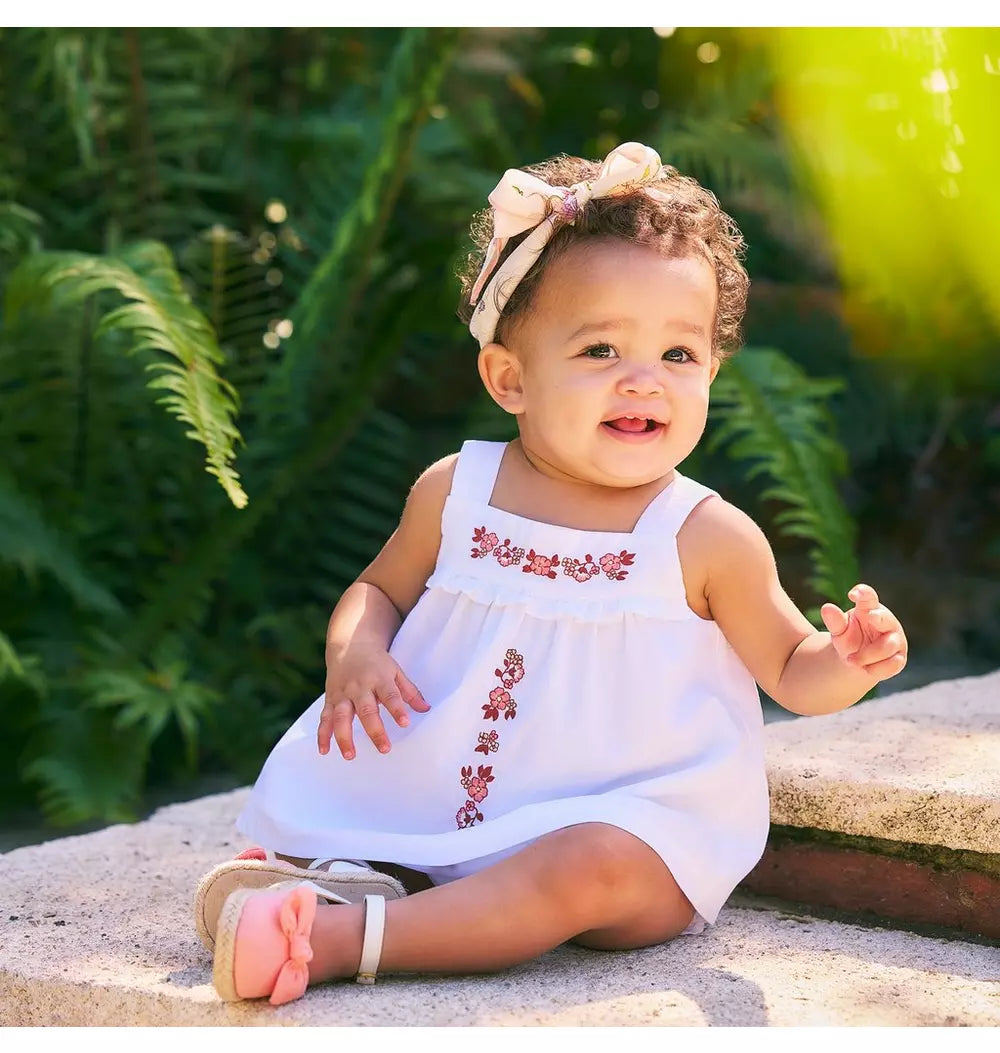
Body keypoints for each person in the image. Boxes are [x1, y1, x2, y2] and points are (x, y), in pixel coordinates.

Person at [196, 141, 908, 1006]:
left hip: (630, 822)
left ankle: (343, 937)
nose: (644, 381)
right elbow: (378, 591)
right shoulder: (457, 492)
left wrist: (850, 660)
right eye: (601, 349)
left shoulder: (705, 535)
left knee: (587, 864)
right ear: (510, 378)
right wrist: (355, 652)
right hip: (442, 792)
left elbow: (792, 669)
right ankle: (342, 883)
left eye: (678, 355)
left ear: (712, 372)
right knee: (354, 812)